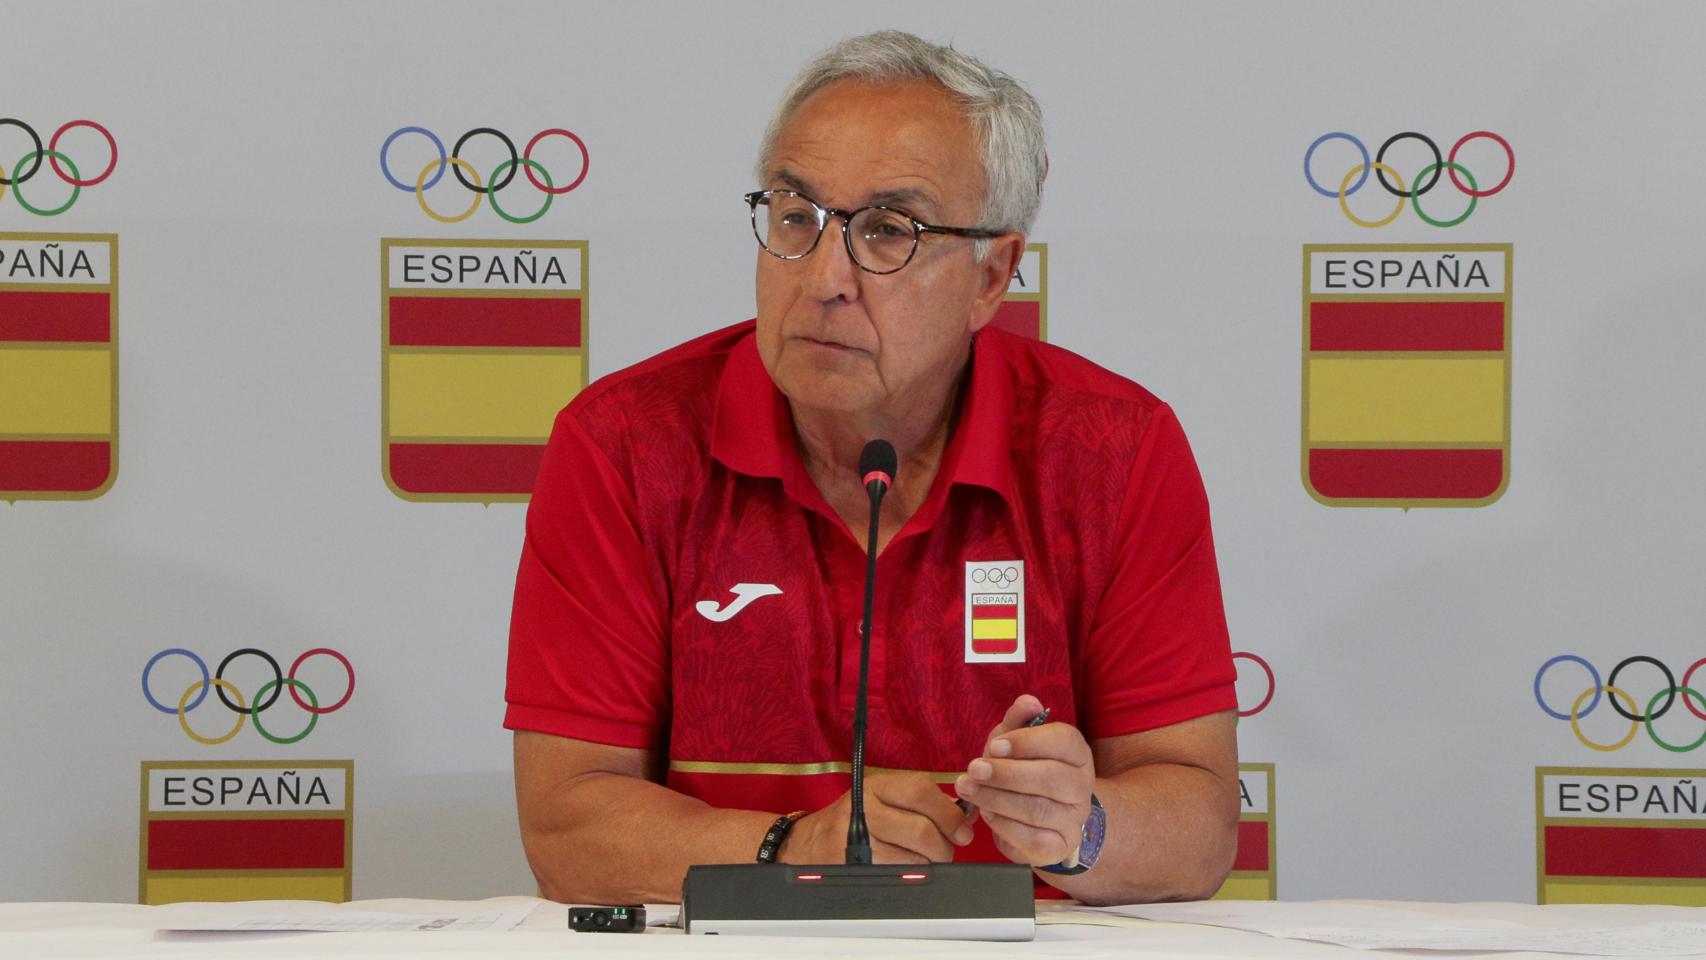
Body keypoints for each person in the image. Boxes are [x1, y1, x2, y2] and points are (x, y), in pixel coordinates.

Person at [505, 30, 1239, 907]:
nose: (823, 278)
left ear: (991, 276)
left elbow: (1198, 826)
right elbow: (566, 826)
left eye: (889, 231)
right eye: (795, 217)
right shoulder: (624, 445)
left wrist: (1080, 827)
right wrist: (790, 849)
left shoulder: (1115, 451)